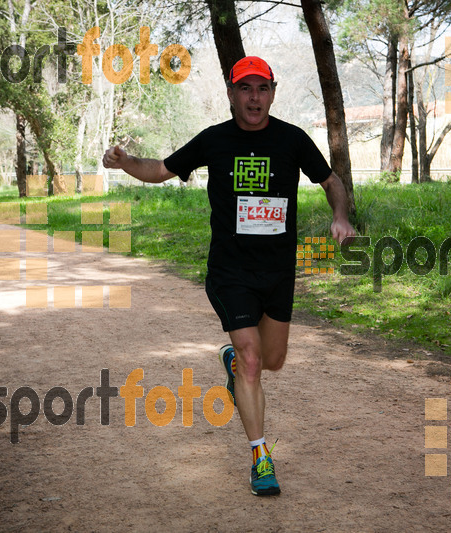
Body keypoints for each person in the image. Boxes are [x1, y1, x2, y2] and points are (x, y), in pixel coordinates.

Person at [103, 56, 355, 496]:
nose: (254, 97)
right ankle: (260, 456)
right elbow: (160, 170)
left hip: (278, 271)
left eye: (262, 88)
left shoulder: (292, 139)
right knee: (254, 362)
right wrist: (126, 162)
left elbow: (331, 180)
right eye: (245, 88)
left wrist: (340, 216)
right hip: (230, 271)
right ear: (231, 93)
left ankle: (232, 363)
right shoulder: (214, 140)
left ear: (273, 92)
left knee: (272, 361)